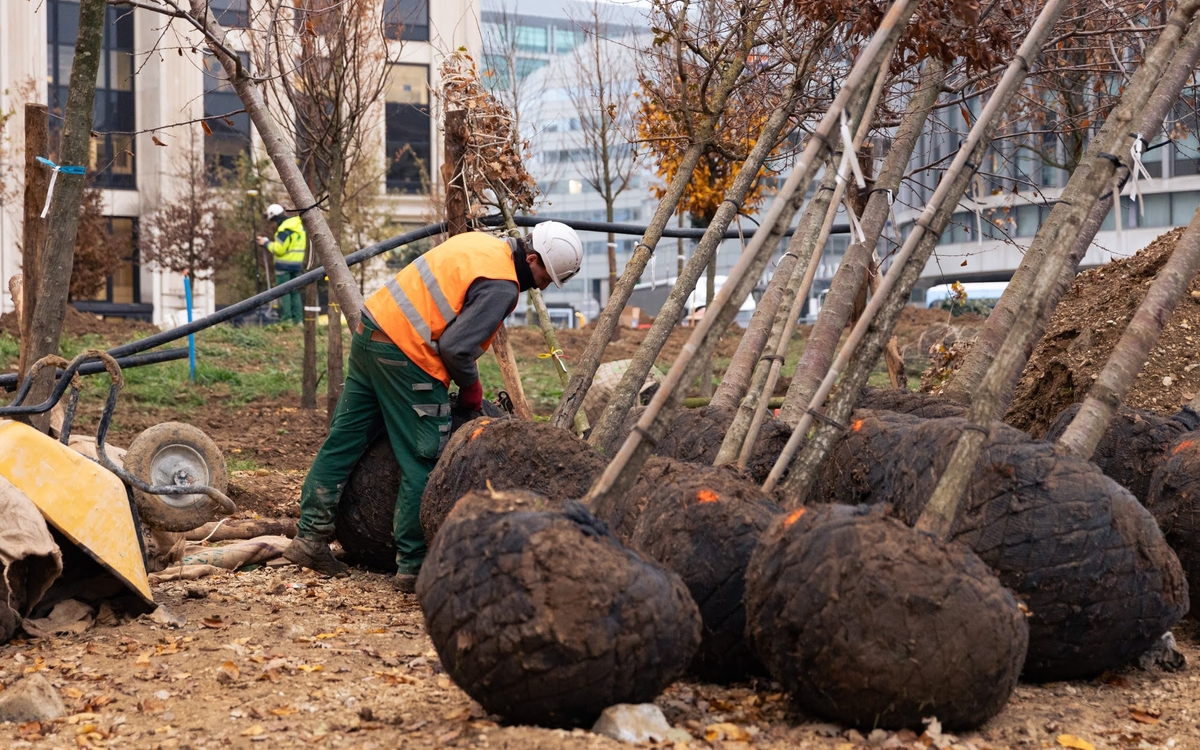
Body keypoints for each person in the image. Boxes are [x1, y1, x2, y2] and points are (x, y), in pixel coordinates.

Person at [282, 222, 584, 592]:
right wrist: (472, 387)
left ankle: (309, 536)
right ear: (532, 258)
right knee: (423, 458)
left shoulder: (480, 244)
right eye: (546, 277)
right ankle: (413, 566)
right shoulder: (502, 284)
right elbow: (456, 347)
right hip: (409, 358)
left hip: (371, 333)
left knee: (343, 441)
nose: (544, 285)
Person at [257, 203, 307, 325]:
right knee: (295, 292)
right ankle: (298, 320)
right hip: (297, 264)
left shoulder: (284, 229)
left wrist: (266, 243)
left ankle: (287, 320)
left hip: (283, 266)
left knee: (284, 292)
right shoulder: (297, 226)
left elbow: (279, 249)